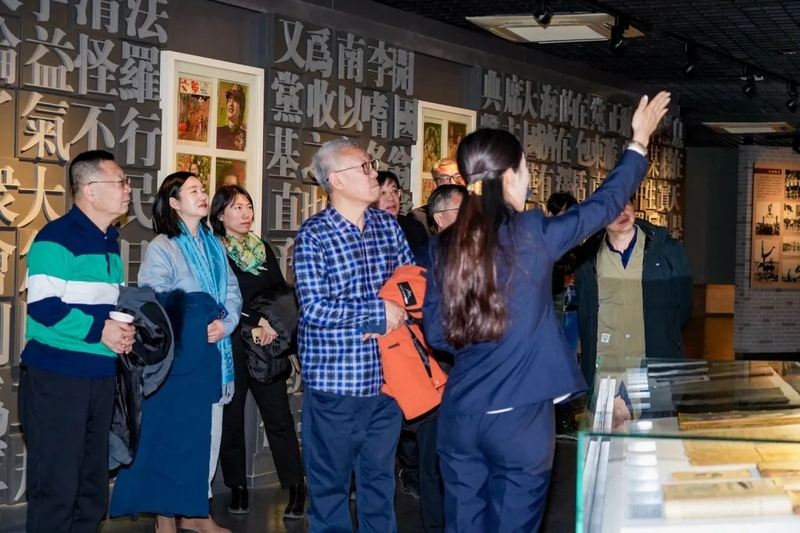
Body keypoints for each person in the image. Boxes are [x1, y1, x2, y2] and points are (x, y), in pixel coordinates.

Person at [422, 92, 671, 532]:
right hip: (519, 419)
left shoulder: (443, 246)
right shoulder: (531, 232)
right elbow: (603, 205)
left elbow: (437, 334)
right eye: (526, 170)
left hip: (460, 415)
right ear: (511, 175)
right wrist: (638, 142)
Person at [110, 172, 242, 533]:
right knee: (170, 440)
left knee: (205, 440)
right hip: (177, 361)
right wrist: (198, 319)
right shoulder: (163, 246)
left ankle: (196, 513)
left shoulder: (215, 244)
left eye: (203, 189)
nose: (203, 195)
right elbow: (156, 300)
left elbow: (232, 291)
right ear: (173, 202)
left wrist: (226, 322)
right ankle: (165, 519)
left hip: (213, 356)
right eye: (193, 190)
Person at [294, 139, 413, 532]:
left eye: (372, 164)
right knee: (329, 489)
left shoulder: (387, 226)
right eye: (365, 166)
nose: (375, 173)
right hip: (337, 384)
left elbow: (411, 286)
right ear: (337, 181)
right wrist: (377, 314)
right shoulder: (314, 235)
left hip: (388, 379)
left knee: (379, 484)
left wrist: (392, 314)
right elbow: (314, 308)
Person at [18, 150, 135, 533]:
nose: (127, 189)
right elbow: (44, 307)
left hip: (100, 376)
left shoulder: (110, 242)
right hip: (57, 378)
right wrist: (101, 330)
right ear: (90, 190)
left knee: (91, 488)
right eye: (120, 181)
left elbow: (109, 308)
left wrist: (122, 333)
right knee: (57, 487)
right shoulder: (55, 238)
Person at [210, 185, 306, 519]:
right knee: (232, 419)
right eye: (237, 207)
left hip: (266, 342)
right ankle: (237, 487)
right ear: (220, 214)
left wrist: (270, 324)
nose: (246, 213)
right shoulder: (214, 250)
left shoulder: (260, 248)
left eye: (248, 206)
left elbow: (280, 292)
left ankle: (296, 487)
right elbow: (217, 298)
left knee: (279, 416)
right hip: (232, 343)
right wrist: (251, 323)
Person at [575, 197, 693, 388]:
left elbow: (683, 308)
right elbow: (586, 313)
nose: (621, 212)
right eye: (613, 208)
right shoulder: (588, 259)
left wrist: (662, 336)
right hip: (606, 368)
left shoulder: (667, 251)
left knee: (656, 409)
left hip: (653, 367)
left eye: (625, 204)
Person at [545, 192, 581, 436]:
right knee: (554, 365)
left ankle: (565, 417)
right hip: (553, 315)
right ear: (550, 214)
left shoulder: (575, 244)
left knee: (569, 365)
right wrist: (561, 280)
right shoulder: (541, 242)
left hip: (572, 313)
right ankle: (555, 418)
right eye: (564, 214)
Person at [375, 170, 429, 251]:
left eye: (394, 191)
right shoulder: (366, 230)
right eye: (382, 193)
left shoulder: (415, 228)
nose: (391, 198)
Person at [411, 158, 466, 236]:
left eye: (457, 176)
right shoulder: (419, 217)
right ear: (435, 185)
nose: (453, 182)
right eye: (445, 178)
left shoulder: (475, 210)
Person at [216, 84, 246, 151]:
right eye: (229, 100)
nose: (231, 104)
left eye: (235, 101)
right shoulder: (218, 132)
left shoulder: (246, 137)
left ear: (241, 109)